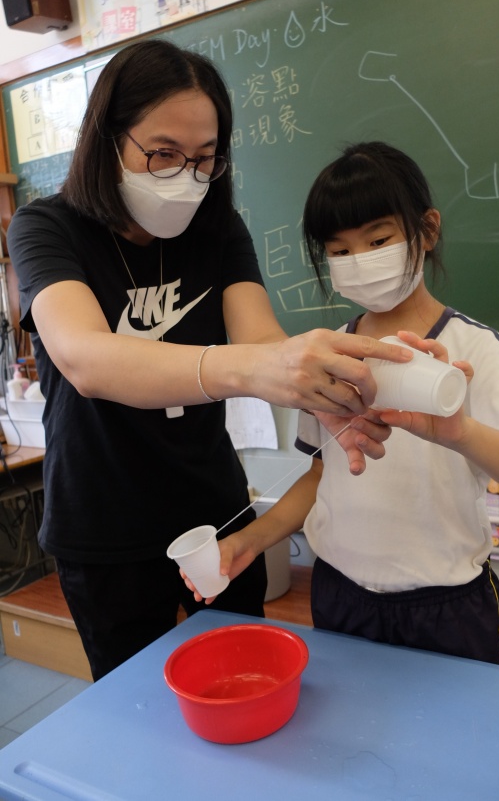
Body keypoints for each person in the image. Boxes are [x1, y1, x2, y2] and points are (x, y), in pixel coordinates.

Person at [6, 45, 411, 680]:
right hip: (102, 519)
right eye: (163, 154)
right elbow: (85, 357)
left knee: (242, 676)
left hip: (213, 510)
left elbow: (261, 340)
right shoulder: (46, 228)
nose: (185, 177)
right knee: (134, 697)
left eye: (204, 158)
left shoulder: (218, 229)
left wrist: (322, 389)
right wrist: (254, 368)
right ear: (107, 138)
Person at [187, 141, 499, 665]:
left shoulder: (476, 349)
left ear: (427, 230)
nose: (360, 261)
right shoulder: (326, 355)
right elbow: (319, 475)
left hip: (447, 604)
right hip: (340, 596)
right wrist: (250, 541)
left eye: (378, 240)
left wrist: (461, 433)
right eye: (340, 251)